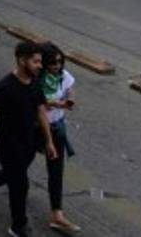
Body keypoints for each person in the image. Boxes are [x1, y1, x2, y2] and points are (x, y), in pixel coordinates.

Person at [0, 41, 59, 237]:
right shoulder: (4, 87)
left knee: (12, 175)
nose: (40, 65)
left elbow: (41, 111)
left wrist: (49, 141)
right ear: (22, 60)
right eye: (36, 62)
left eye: (40, 62)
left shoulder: (35, 83)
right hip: (6, 144)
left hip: (28, 142)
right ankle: (18, 225)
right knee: (20, 183)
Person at [40, 45, 81, 235]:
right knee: (16, 170)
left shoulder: (63, 75)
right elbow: (40, 101)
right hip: (35, 130)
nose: (57, 66)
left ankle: (57, 215)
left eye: (60, 62)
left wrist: (70, 100)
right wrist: (58, 103)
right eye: (53, 62)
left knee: (56, 172)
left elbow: (70, 87)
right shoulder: (37, 77)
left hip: (56, 128)